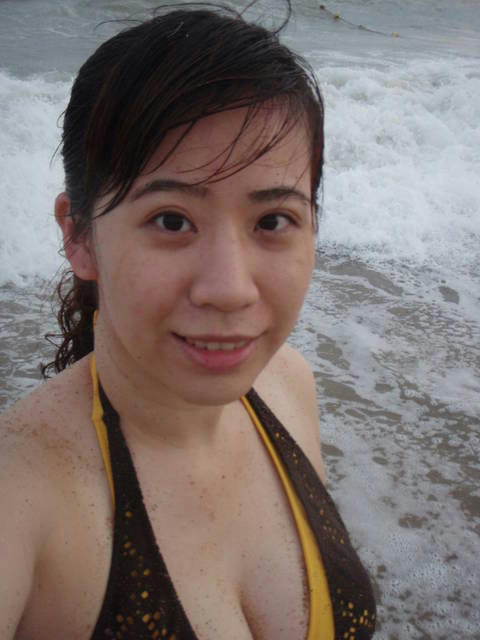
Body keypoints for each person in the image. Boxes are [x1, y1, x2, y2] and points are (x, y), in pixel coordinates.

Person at [0, 3, 376, 639]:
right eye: (171, 220)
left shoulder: (289, 386)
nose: (229, 290)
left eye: (273, 220)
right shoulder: (20, 500)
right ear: (79, 236)